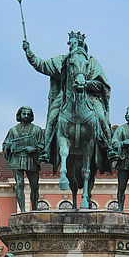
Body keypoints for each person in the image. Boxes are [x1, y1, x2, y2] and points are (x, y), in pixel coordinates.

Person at [22, 31, 112, 166]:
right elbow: (41, 65)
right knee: (52, 117)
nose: (70, 45)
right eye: (69, 43)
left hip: (89, 96)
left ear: (81, 44)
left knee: (101, 116)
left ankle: (109, 147)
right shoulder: (61, 61)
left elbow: (101, 84)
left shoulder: (92, 63)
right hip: (65, 96)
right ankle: (46, 150)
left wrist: (86, 84)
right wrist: (28, 52)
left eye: (73, 42)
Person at [3, 106, 44, 212]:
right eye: (24, 114)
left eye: (28, 114)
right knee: (19, 183)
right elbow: (5, 144)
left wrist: (34, 148)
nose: (26, 116)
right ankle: (22, 211)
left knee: (34, 186)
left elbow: (43, 146)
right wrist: (9, 146)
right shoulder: (13, 130)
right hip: (17, 159)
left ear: (31, 116)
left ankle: (34, 209)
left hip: (31, 159)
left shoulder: (37, 130)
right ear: (19, 115)